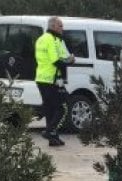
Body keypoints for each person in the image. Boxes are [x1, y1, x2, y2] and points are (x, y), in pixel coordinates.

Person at [35, 17, 76, 146]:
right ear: (53, 26)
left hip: (41, 78)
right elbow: (56, 61)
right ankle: (49, 131)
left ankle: (53, 138)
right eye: (60, 26)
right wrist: (70, 60)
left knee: (50, 109)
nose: (62, 29)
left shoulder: (41, 39)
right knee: (64, 106)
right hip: (51, 79)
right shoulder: (51, 40)